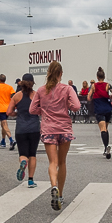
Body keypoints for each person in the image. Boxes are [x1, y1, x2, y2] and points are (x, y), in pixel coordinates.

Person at [29, 61, 80, 211]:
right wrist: (68, 106)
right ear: (60, 74)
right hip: (64, 128)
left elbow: (32, 110)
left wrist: (44, 111)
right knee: (62, 162)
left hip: (48, 128)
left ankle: (53, 186)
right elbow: (76, 106)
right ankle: (61, 194)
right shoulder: (67, 89)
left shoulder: (41, 90)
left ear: (48, 73)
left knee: (53, 162)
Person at [7, 73, 40, 187]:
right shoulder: (36, 95)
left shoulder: (16, 96)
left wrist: (17, 113)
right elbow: (42, 110)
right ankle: (31, 180)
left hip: (21, 128)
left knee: (23, 153)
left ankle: (22, 162)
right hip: (34, 128)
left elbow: (8, 112)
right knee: (32, 154)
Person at [90, 66, 112, 159]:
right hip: (108, 109)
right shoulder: (107, 85)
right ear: (104, 77)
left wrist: (92, 98)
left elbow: (89, 97)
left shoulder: (94, 86)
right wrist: (111, 96)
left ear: (97, 77)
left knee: (102, 129)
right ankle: (106, 148)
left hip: (99, 109)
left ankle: (106, 147)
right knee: (106, 128)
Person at [0, 74, 16, 149]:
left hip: (0, 108)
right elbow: (13, 95)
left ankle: (11, 139)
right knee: (2, 124)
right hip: (8, 107)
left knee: (4, 124)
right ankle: (3, 141)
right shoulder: (9, 87)